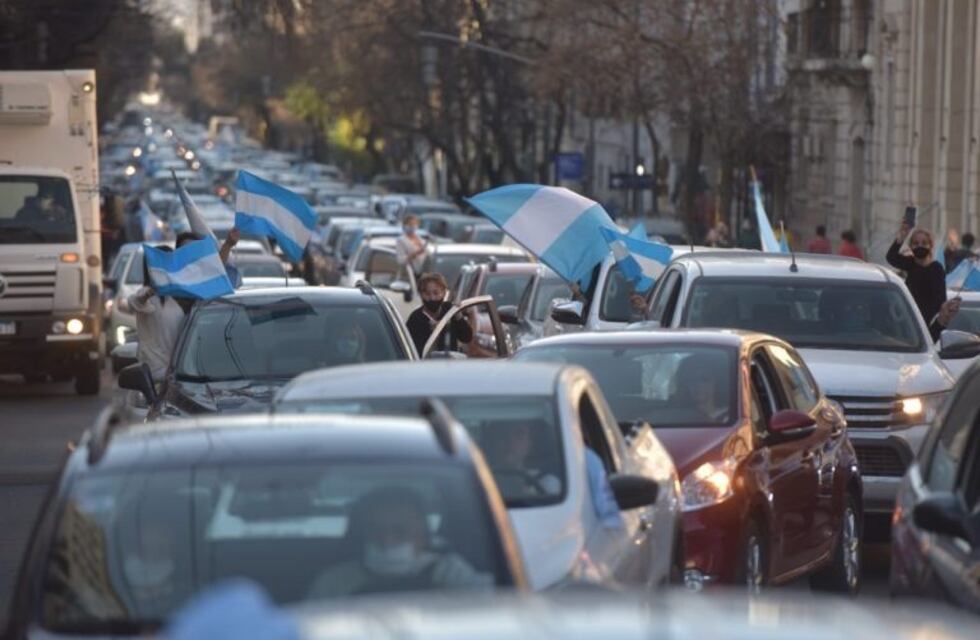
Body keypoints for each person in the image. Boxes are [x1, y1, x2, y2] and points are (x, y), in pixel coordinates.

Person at [306, 487, 492, 598]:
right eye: (376, 531)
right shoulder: (333, 583)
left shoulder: (451, 573)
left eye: (400, 531)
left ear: (423, 536)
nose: (387, 541)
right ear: (362, 535)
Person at [127, 230, 239, 382]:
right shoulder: (147, 296)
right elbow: (136, 302)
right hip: (155, 375)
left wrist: (227, 245)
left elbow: (212, 272)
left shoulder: (181, 293)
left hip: (183, 373)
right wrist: (151, 292)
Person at [886, 223, 959, 341]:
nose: (920, 246)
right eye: (916, 243)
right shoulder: (910, 264)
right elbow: (891, 257)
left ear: (931, 246)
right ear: (911, 247)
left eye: (924, 243)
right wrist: (902, 235)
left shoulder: (936, 268)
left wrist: (944, 312)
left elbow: (940, 300)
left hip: (929, 324)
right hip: (908, 323)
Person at [482, 421, 560, 497]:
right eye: (502, 434)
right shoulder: (480, 483)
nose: (510, 441)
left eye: (519, 434)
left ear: (530, 443)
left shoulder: (547, 484)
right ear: (493, 442)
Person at [405, 272, 473, 355]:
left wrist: (458, 316)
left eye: (436, 293)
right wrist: (434, 335)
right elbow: (416, 353)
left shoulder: (450, 310)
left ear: (444, 293)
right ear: (421, 294)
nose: (432, 298)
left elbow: (466, 337)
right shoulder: (415, 319)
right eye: (427, 294)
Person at [395, 215, 427, 279]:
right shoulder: (401, 240)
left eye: (414, 224)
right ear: (404, 226)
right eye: (410, 224)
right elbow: (401, 260)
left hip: (424, 272)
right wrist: (415, 253)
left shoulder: (421, 239)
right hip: (410, 275)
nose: (412, 226)